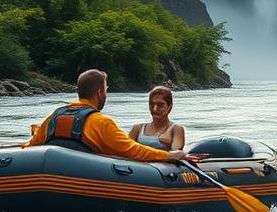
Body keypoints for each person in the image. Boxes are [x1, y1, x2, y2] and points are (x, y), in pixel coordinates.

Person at [25, 69, 201, 163]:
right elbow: (132, 151)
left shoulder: (52, 117)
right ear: (100, 92)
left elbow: (30, 147)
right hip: (84, 179)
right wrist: (169, 156)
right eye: (106, 89)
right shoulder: (101, 122)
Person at [129, 86, 185, 150]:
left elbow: (176, 155)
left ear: (169, 107)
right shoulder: (137, 129)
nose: (154, 109)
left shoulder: (176, 129)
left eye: (160, 105)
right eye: (152, 104)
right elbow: (126, 150)